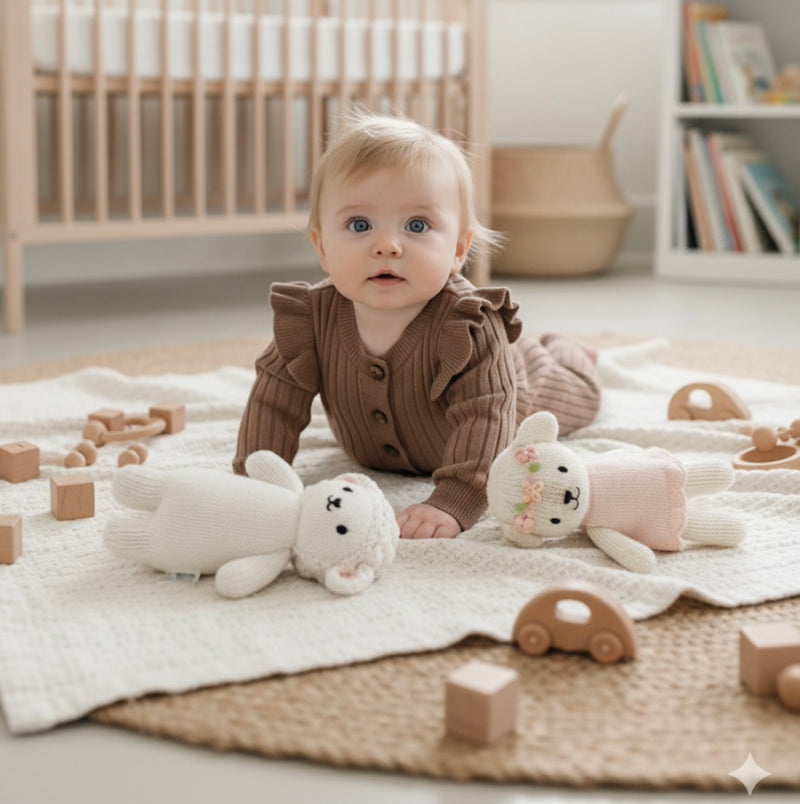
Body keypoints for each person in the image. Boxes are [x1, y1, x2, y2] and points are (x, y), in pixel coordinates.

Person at [234, 113, 601, 539]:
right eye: (359, 225)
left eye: (417, 226)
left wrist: (456, 499)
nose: (387, 245)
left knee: (576, 391)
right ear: (321, 247)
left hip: (519, 397)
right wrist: (255, 483)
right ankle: (539, 346)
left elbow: (487, 415)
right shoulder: (308, 320)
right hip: (370, 453)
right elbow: (273, 405)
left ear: (459, 249)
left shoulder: (469, 326)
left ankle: (565, 349)